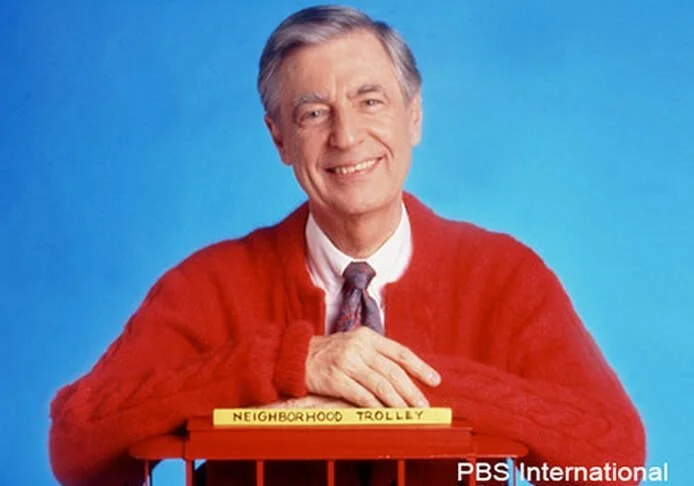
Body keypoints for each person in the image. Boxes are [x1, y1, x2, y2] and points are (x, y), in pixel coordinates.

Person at [49, 5, 645, 486]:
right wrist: (290, 365)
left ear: (413, 116)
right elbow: (76, 445)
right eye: (313, 113)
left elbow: (616, 457)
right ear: (279, 138)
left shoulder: (505, 275)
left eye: (370, 101)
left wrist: (394, 385)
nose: (347, 135)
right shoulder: (208, 284)